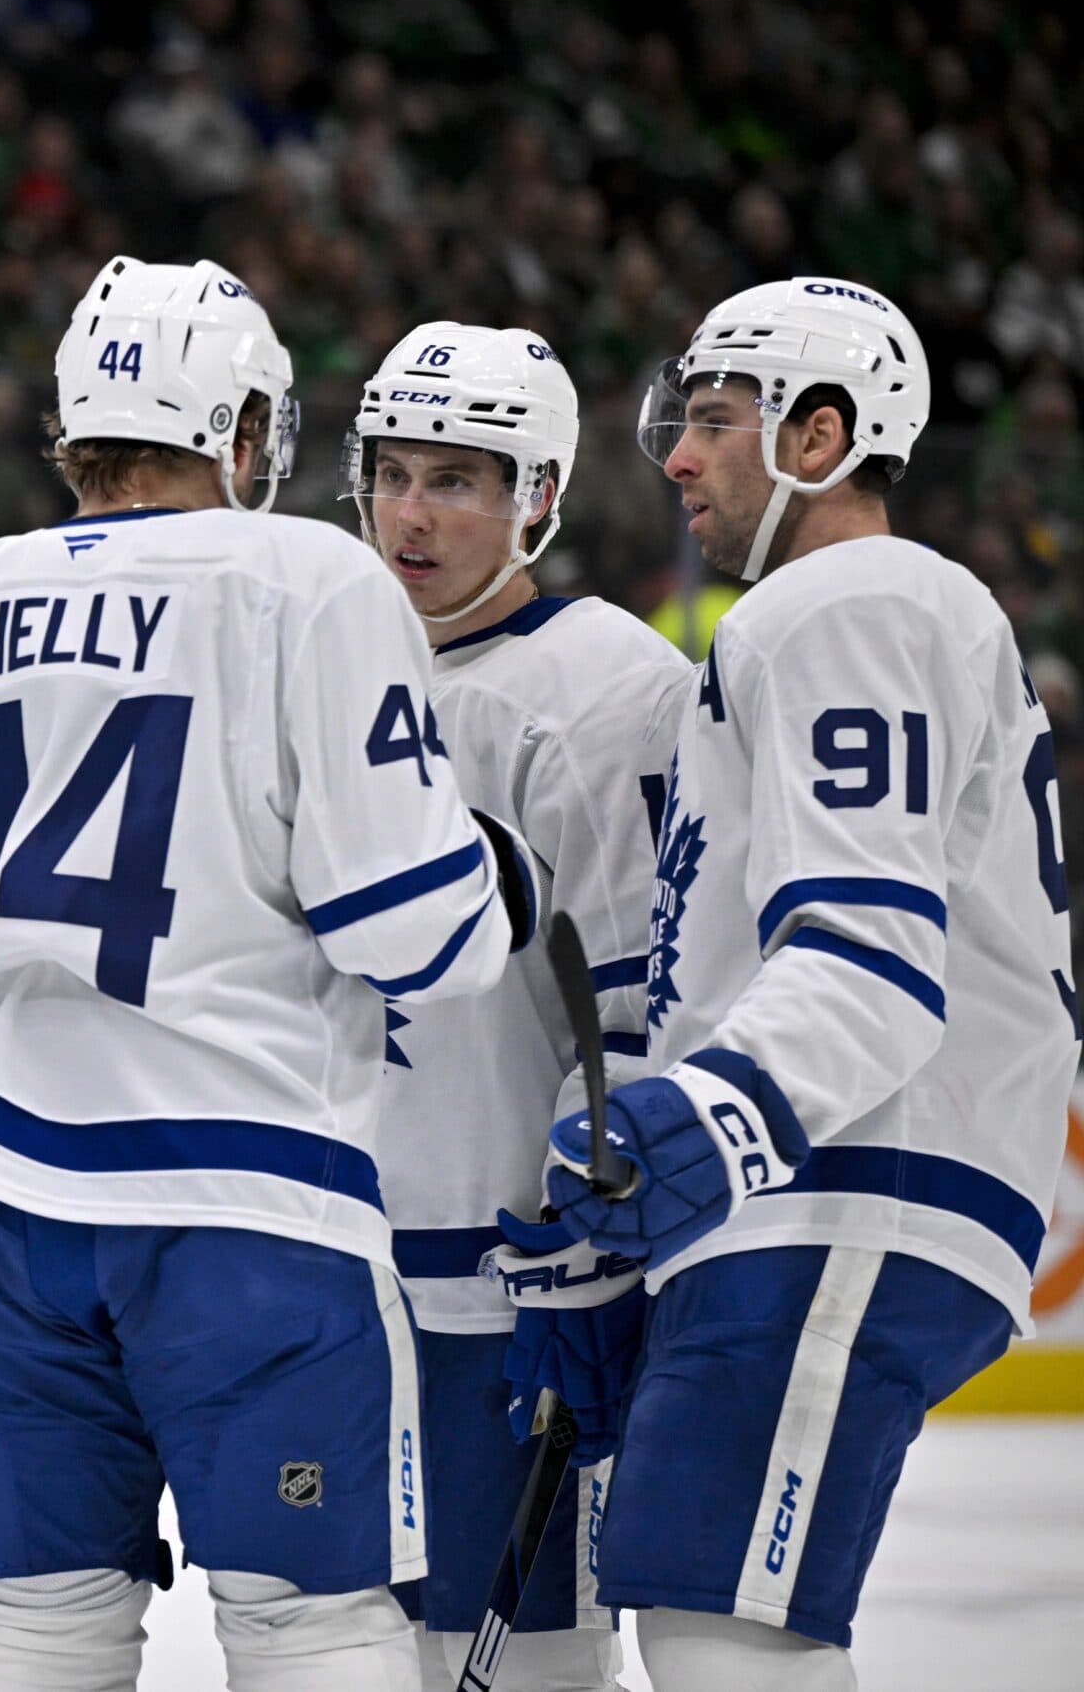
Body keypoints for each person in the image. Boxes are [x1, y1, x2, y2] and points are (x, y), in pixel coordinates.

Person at [0, 256, 537, 1692]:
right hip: (245, 1197)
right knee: (313, 1619)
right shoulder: (309, 577)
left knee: (40, 1621)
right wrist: (495, 874)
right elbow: (419, 940)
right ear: (246, 432)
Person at [526, 277, 1073, 1690]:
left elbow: (873, 957)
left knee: (728, 1632)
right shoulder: (811, 621)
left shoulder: (859, 596)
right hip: (827, 1177)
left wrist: (697, 1129)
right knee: (713, 1618)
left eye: (716, 419)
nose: (678, 457)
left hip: (853, 1173)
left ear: (824, 436)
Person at [343, 323, 689, 1689]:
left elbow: (637, 999)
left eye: (458, 480)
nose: (411, 513)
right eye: (392, 473)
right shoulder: (320, 654)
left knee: (533, 1655)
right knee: (338, 1645)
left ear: (537, 495)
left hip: (504, 1276)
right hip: (326, 1269)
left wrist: (586, 1228)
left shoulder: (609, 686)